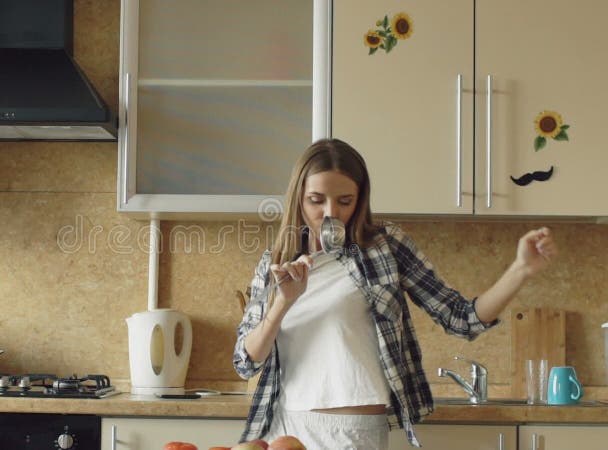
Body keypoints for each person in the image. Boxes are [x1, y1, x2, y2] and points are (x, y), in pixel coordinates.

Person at [233, 138, 557, 449]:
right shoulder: (275, 263)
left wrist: (521, 270)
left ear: (360, 199)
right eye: (316, 200)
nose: (331, 212)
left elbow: (461, 318)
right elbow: (246, 361)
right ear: (298, 198)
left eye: (345, 201)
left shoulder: (385, 246)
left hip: (353, 432)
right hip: (284, 427)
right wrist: (283, 303)